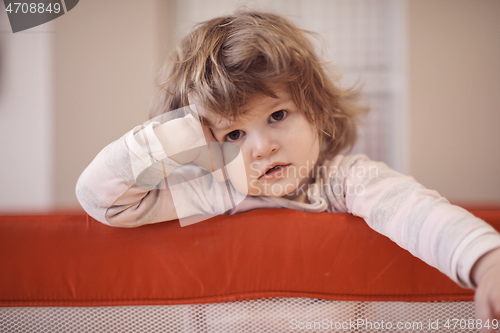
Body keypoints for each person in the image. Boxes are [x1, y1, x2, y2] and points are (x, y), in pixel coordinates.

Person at [76, 11, 500, 330]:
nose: (263, 146)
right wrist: (180, 132)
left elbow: (411, 210)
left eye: (278, 115)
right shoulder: (212, 192)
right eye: (234, 134)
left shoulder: (341, 181)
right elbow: (103, 201)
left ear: (318, 111)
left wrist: (488, 262)